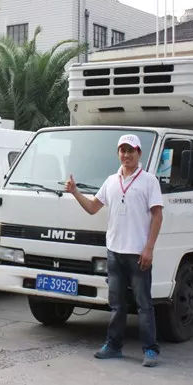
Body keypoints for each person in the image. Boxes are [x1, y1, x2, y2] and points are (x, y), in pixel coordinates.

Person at [64, 134, 164, 368]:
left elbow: (158, 215)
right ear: (118, 153)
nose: (126, 155)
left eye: (131, 150)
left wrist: (149, 248)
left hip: (138, 253)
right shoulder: (111, 181)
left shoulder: (149, 181)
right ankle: (113, 346)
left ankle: (150, 350)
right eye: (122, 150)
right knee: (117, 304)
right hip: (115, 252)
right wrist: (75, 192)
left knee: (143, 304)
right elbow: (92, 208)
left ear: (139, 153)